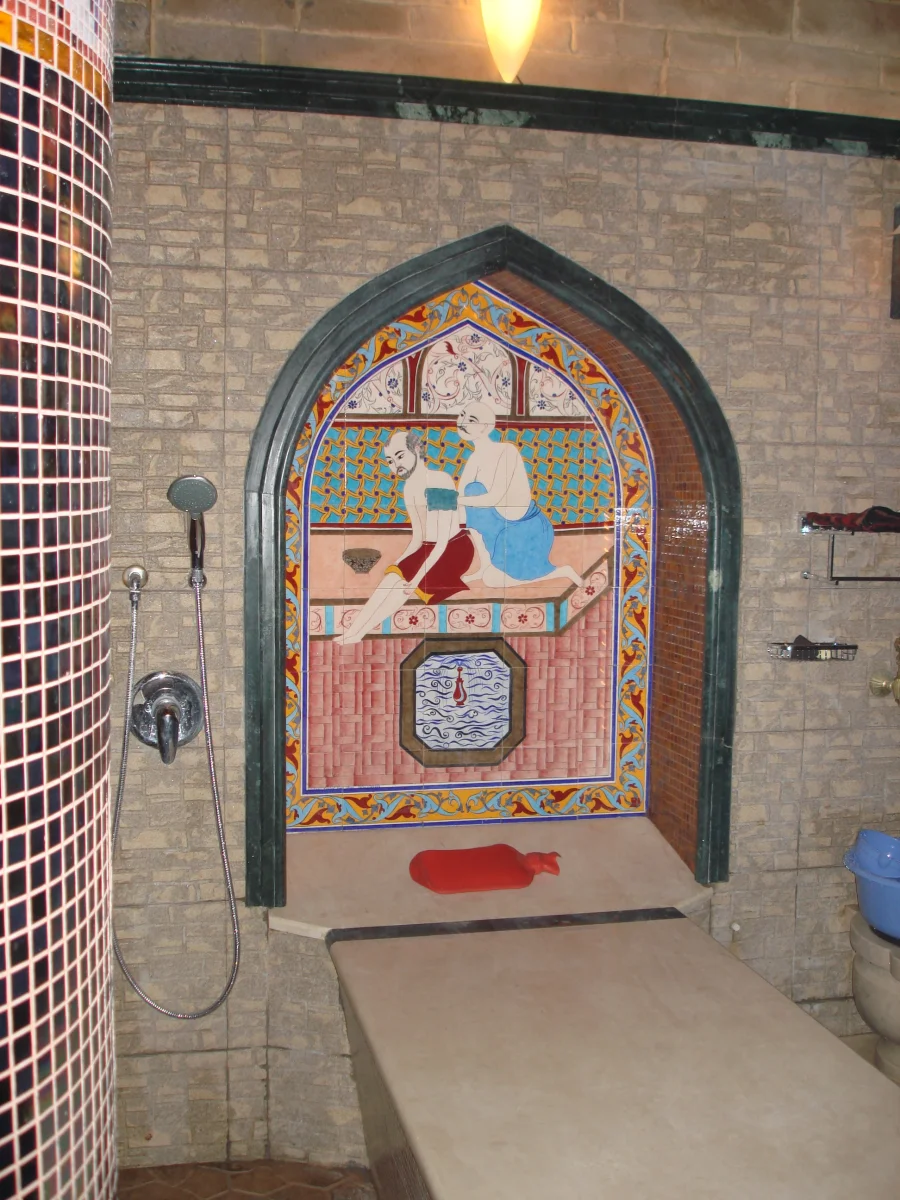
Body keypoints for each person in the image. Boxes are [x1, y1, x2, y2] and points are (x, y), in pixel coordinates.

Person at [334, 429, 475, 645]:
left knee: (401, 583)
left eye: (400, 456)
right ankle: (354, 631)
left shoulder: (439, 480)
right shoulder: (409, 487)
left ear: (417, 449)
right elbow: (418, 537)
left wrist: (415, 579)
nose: (395, 465)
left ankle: (358, 633)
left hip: (454, 550)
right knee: (392, 577)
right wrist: (399, 563)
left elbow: (442, 543)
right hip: (428, 548)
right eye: (390, 461)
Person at [456, 402, 584, 589]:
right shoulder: (474, 458)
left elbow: (494, 498)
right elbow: (461, 499)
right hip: (499, 530)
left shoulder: (506, 451)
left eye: (471, 420)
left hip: (526, 530)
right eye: (462, 415)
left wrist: (455, 500)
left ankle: (562, 571)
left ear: (485, 427)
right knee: (470, 495)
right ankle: (485, 566)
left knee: (492, 581)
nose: (462, 422)